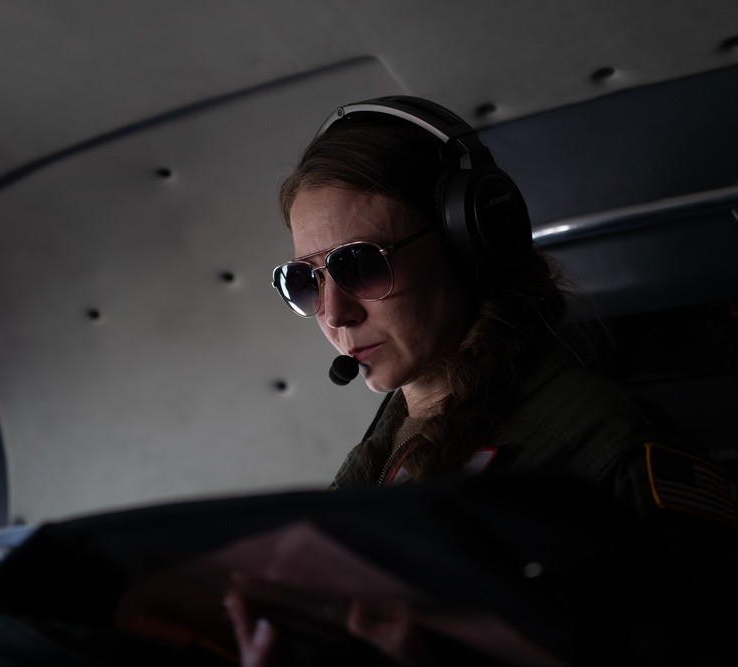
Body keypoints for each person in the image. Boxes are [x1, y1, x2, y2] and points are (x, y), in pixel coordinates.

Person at [224, 95, 738, 665]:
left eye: (360, 264)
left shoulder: (611, 451)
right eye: (306, 281)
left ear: (467, 243)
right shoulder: (376, 466)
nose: (335, 313)